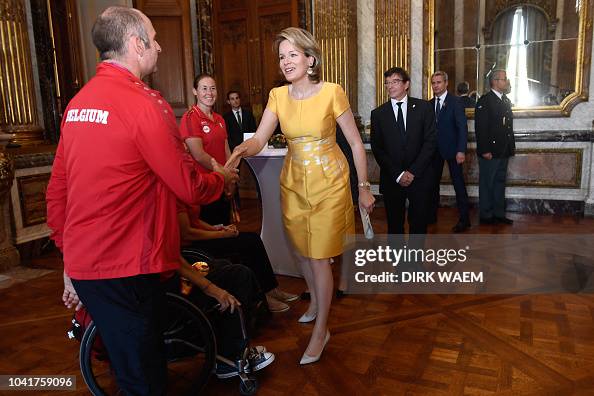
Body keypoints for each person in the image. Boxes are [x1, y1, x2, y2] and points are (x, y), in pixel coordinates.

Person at [47, 6, 238, 395]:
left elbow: (58, 191)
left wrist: (70, 255)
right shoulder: (144, 103)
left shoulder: (77, 104)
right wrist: (220, 179)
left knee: (127, 364)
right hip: (129, 262)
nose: (160, 47)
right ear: (136, 44)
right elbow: (187, 185)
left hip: (90, 266)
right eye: (153, 38)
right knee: (145, 375)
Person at [226, 27, 375, 365]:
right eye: (282, 56)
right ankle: (316, 304)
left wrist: (363, 187)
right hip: (293, 182)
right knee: (302, 251)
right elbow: (260, 139)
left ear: (310, 59)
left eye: (293, 54)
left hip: (330, 182)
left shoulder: (332, 92)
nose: (286, 62)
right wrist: (241, 149)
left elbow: (354, 143)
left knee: (320, 256)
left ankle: (322, 329)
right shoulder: (278, 96)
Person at [164, 257, 275, 379]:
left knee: (223, 264)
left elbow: (174, 255)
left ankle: (234, 348)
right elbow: (170, 260)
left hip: (173, 284)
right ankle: (230, 356)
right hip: (170, 301)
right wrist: (211, 288)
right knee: (239, 275)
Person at [177, 203, 298, 312]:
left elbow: (195, 221)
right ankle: (263, 296)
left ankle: (271, 289)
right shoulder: (175, 195)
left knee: (252, 238)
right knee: (247, 244)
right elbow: (187, 233)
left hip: (198, 238)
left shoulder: (184, 191)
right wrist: (220, 234)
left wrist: (217, 229)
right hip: (191, 245)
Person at [370, 67, 436, 235]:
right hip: (393, 179)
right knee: (394, 224)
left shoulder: (424, 108)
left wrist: (413, 171)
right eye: (387, 83)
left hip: (420, 177)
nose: (390, 86)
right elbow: (378, 148)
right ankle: (398, 258)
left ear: (406, 84)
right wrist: (398, 174)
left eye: (395, 81)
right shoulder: (378, 114)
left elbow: (430, 142)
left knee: (419, 224)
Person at [180, 74, 233, 225]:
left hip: (222, 182)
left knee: (225, 227)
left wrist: (228, 179)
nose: (209, 93)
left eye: (213, 88)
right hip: (205, 186)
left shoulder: (220, 119)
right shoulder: (191, 118)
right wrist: (224, 173)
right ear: (195, 91)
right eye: (204, 88)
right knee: (210, 230)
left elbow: (226, 150)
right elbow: (199, 155)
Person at [429, 71, 471, 232]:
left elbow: (462, 128)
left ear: (446, 83)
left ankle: (464, 219)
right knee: (432, 185)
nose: (436, 85)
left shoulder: (456, 102)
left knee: (458, 184)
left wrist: (461, 150)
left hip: (453, 151)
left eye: (439, 82)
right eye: (433, 83)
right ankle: (431, 216)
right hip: (434, 152)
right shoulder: (429, 104)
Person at [475, 69, 516, 225]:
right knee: (487, 184)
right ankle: (486, 216)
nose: (506, 81)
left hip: (503, 149)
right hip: (490, 151)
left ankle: (499, 213)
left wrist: (510, 147)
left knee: (499, 183)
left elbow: (507, 127)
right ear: (494, 81)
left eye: (505, 79)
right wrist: (485, 150)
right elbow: (481, 128)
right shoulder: (485, 101)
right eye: (504, 79)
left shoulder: (505, 100)